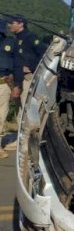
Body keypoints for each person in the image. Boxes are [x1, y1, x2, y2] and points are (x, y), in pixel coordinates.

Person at [5, 15, 45, 152]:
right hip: (17, 78)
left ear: (21, 24)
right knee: (18, 110)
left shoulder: (31, 37)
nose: (10, 25)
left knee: (25, 109)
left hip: (28, 78)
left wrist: (32, 67)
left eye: (12, 22)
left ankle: (24, 142)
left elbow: (44, 53)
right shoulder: (16, 39)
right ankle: (19, 138)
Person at [0, 21, 22, 158]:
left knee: (1, 114)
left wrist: (16, 85)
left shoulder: (10, 43)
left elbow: (17, 66)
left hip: (3, 83)